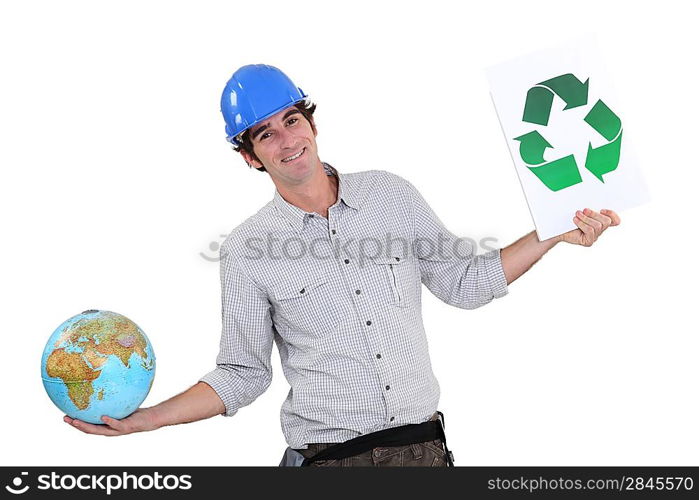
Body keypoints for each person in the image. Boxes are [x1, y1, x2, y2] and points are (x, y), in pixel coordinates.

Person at [65, 64, 621, 467]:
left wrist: (553, 232)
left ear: (310, 120)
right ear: (248, 156)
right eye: (266, 133)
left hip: (425, 453)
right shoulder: (247, 250)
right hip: (330, 464)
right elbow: (244, 372)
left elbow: (466, 282)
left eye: (291, 119)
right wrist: (147, 419)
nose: (287, 140)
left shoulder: (392, 196)